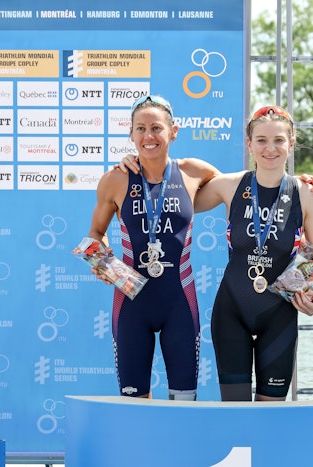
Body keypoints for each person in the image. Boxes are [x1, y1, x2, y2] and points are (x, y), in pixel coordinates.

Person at [192, 105, 313, 401]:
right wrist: (141, 165)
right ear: (249, 143)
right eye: (261, 140)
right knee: (235, 410)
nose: (270, 148)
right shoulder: (229, 185)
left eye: (279, 140)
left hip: (279, 315)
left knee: (272, 413)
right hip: (231, 312)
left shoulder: (306, 194)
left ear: (291, 144)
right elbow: (181, 198)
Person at [87, 94, 220, 400]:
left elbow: (241, 187)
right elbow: (96, 233)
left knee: (184, 401)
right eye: (141, 129)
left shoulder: (192, 171)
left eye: (157, 128)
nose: (149, 136)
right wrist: (101, 262)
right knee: (134, 402)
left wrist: (302, 184)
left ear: (173, 131)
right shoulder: (115, 179)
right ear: (131, 134)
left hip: (180, 301)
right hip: (131, 301)